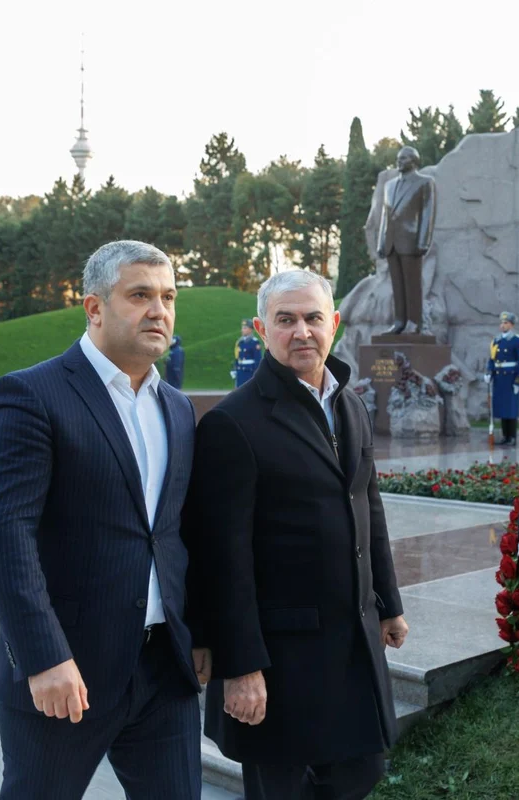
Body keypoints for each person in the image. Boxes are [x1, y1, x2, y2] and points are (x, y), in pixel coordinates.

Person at [0, 240, 208, 800]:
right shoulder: (32, 394)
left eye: (169, 297)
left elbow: (175, 534)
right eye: (140, 295)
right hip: (66, 672)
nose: (160, 310)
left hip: (163, 671)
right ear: (95, 308)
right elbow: (4, 534)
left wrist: (199, 630)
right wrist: (44, 656)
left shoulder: (175, 407)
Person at [184, 269, 409, 800]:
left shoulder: (349, 403)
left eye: (312, 318)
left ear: (334, 324)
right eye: (286, 320)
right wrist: (240, 669)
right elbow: (223, 558)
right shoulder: (233, 424)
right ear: (264, 330)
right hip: (279, 660)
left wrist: (389, 603)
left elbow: (367, 506)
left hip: (350, 643)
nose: (301, 331)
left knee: (361, 773)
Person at [375, 146, 436, 335]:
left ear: (413, 161)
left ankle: (414, 322)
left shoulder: (425, 182)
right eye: (397, 158)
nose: (398, 162)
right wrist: (381, 242)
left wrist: (423, 242)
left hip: (411, 241)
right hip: (392, 241)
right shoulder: (389, 185)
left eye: (403, 159)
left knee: (412, 284)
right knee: (397, 285)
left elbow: (428, 213)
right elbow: (386, 215)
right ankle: (399, 321)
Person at [486, 311, 519, 447]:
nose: (503, 325)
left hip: (510, 379)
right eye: (502, 323)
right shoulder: (496, 341)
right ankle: (505, 436)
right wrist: (489, 373)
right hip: (499, 380)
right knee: (502, 408)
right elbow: (492, 360)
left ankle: (512, 437)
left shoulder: (517, 340)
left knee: (511, 409)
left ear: (512, 325)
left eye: (506, 323)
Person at [231, 318, 263, 388]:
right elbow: (237, 357)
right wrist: (234, 369)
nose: (242, 330)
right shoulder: (240, 342)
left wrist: (257, 373)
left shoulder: (254, 342)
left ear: (251, 329)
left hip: (249, 372)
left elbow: (258, 359)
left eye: (245, 328)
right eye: (242, 328)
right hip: (240, 371)